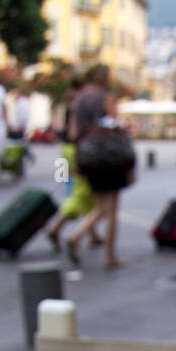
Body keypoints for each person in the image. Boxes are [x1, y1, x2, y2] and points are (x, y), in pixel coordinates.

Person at [65, 64, 132, 269]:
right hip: (109, 157)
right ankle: (109, 256)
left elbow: (73, 134)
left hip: (89, 156)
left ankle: (77, 236)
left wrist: (77, 158)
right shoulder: (105, 97)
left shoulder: (79, 99)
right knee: (111, 209)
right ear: (104, 77)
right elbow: (116, 125)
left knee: (100, 206)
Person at [46, 73, 103, 252]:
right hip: (75, 152)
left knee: (80, 191)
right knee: (81, 192)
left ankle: (92, 234)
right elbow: (73, 134)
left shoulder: (72, 101)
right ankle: (56, 229)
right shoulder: (79, 103)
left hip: (66, 152)